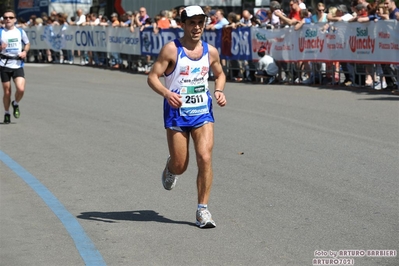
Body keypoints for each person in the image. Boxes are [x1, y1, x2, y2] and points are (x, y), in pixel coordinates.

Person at [147, 5, 226, 228]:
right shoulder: (171, 50)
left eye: (200, 22)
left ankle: (203, 210)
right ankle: (171, 167)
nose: (197, 27)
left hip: (202, 113)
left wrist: (219, 91)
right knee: (182, 165)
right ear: (183, 25)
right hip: (177, 113)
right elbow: (153, 77)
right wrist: (166, 92)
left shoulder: (210, 51)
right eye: (192, 23)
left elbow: (220, 75)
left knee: (205, 157)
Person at [1, 9, 30, 124]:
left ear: (15, 19)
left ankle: (15, 103)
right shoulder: (0, 32)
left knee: (21, 89)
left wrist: (25, 52)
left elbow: (27, 43)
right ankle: (7, 113)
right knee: (7, 92)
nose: (8, 19)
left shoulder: (20, 32)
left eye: (10, 17)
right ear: (3, 19)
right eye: (5, 17)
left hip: (17, 64)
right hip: (4, 64)